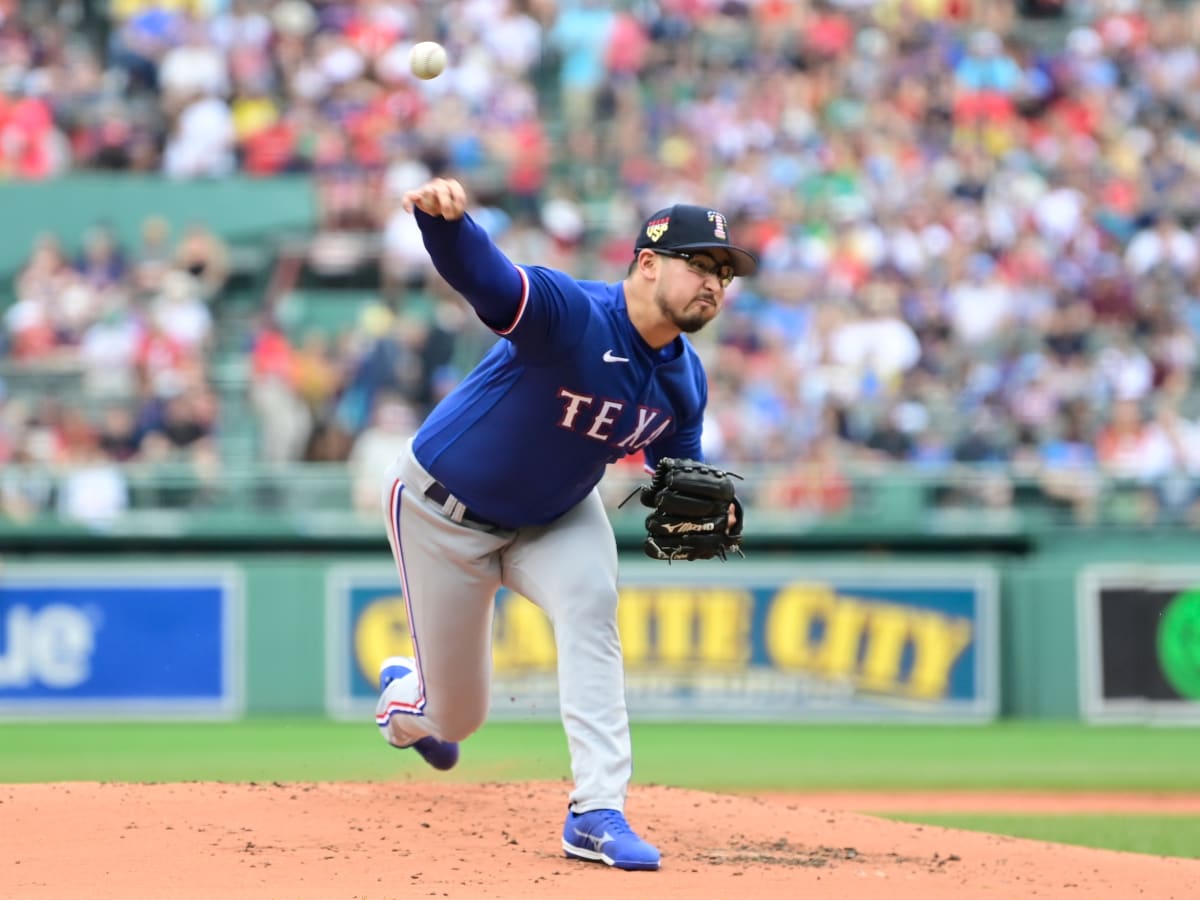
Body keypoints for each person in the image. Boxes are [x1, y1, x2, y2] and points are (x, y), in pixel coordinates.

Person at [373, 177, 756, 872]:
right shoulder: (572, 312)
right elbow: (488, 280)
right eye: (699, 264)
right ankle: (407, 696)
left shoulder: (684, 382)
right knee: (454, 719)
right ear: (646, 264)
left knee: (592, 603)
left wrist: (706, 505)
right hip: (441, 512)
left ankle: (596, 811)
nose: (714, 283)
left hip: (555, 517)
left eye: (723, 273)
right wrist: (446, 227)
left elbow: (679, 477)